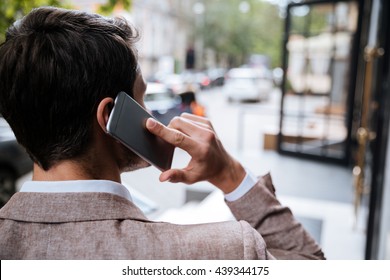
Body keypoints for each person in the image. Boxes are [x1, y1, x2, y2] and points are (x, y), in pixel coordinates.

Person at [0, 7, 324, 260]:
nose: (150, 115)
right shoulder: (216, 251)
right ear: (111, 117)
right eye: (141, 100)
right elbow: (309, 261)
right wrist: (228, 172)